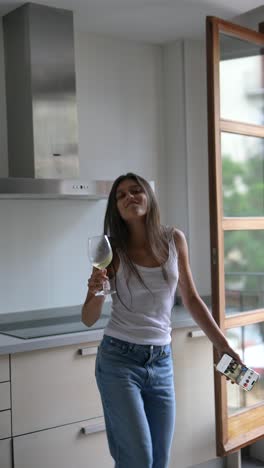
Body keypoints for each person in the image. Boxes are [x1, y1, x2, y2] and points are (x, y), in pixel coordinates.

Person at [82, 172, 241, 468]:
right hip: (119, 361)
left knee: (159, 460)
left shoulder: (174, 239)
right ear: (115, 208)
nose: (129, 197)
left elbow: (191, 298)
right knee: (138, 459)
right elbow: (89, 319)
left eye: (135, 191)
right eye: (121, 195)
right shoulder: (111, 249)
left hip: (161, 361)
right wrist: (94, 291)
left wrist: (223, 345)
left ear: (148, 197)